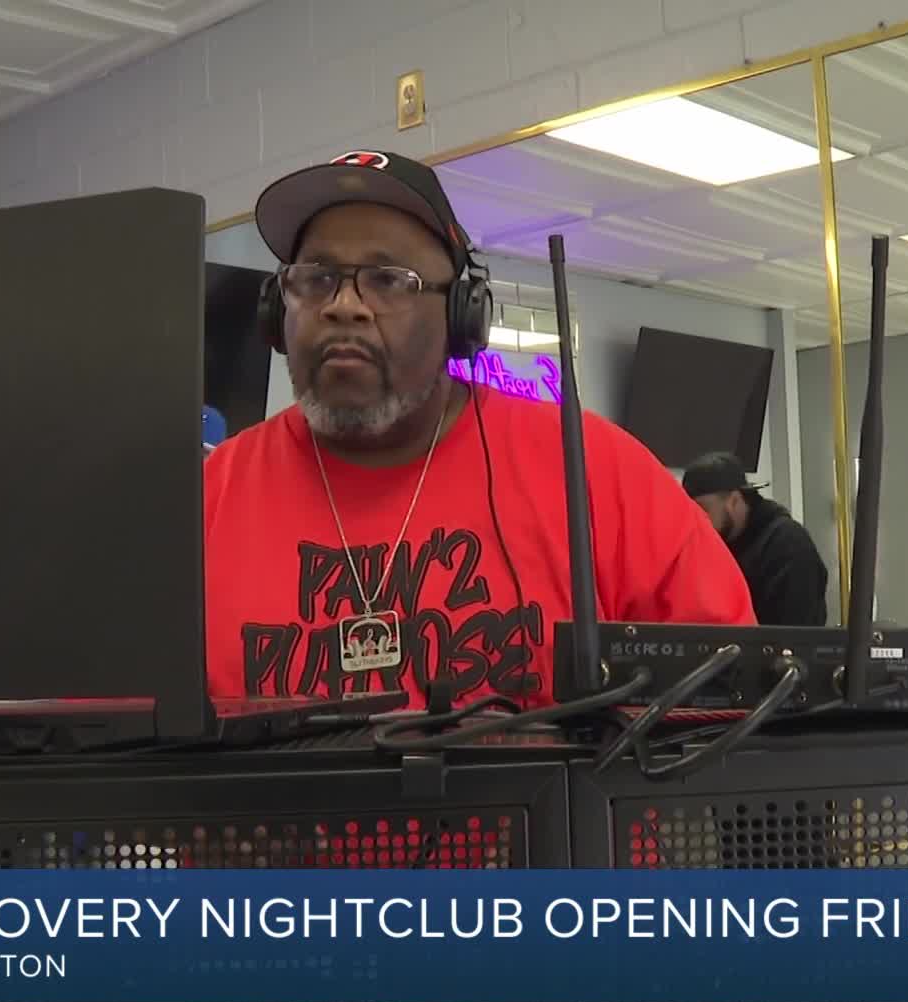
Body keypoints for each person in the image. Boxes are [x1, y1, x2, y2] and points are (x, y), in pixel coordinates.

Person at [202, 151, 756, 708]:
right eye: (317, 278)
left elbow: (732, 696)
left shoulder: (597, 470)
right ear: (277, 310)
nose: (344, 306)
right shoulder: (206, 500)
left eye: (388, 280)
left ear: (462, 314)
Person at [682, 452, 828, 626]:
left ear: (734, 501)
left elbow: (795, 630)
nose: (698, 521)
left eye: (703, 510)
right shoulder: (709, 546)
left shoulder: (788, 545)